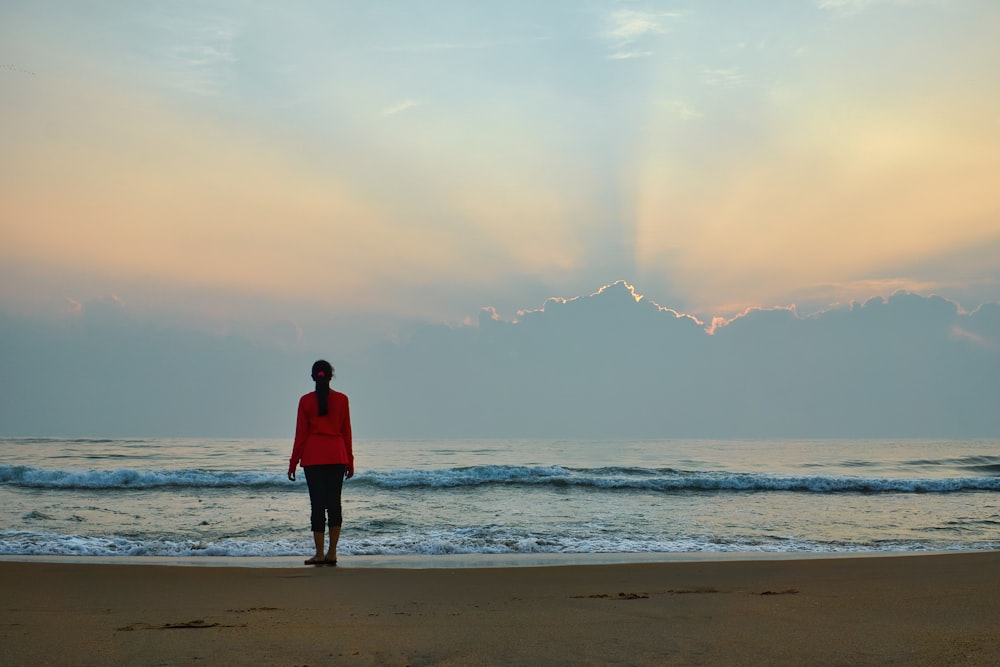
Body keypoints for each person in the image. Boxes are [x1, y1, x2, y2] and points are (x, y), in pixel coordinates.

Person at [288, 359, 354, 565]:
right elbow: (346, 433)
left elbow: (300, 434)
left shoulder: (305, 401)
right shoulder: (342, 400)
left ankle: (319, 554)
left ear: (313, 377)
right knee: (334, 504)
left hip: (313, 456)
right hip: (336, 455)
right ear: (331, 376)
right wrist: (350, 460)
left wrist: (293, 462)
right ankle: (332, 552)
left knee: (317, 505)